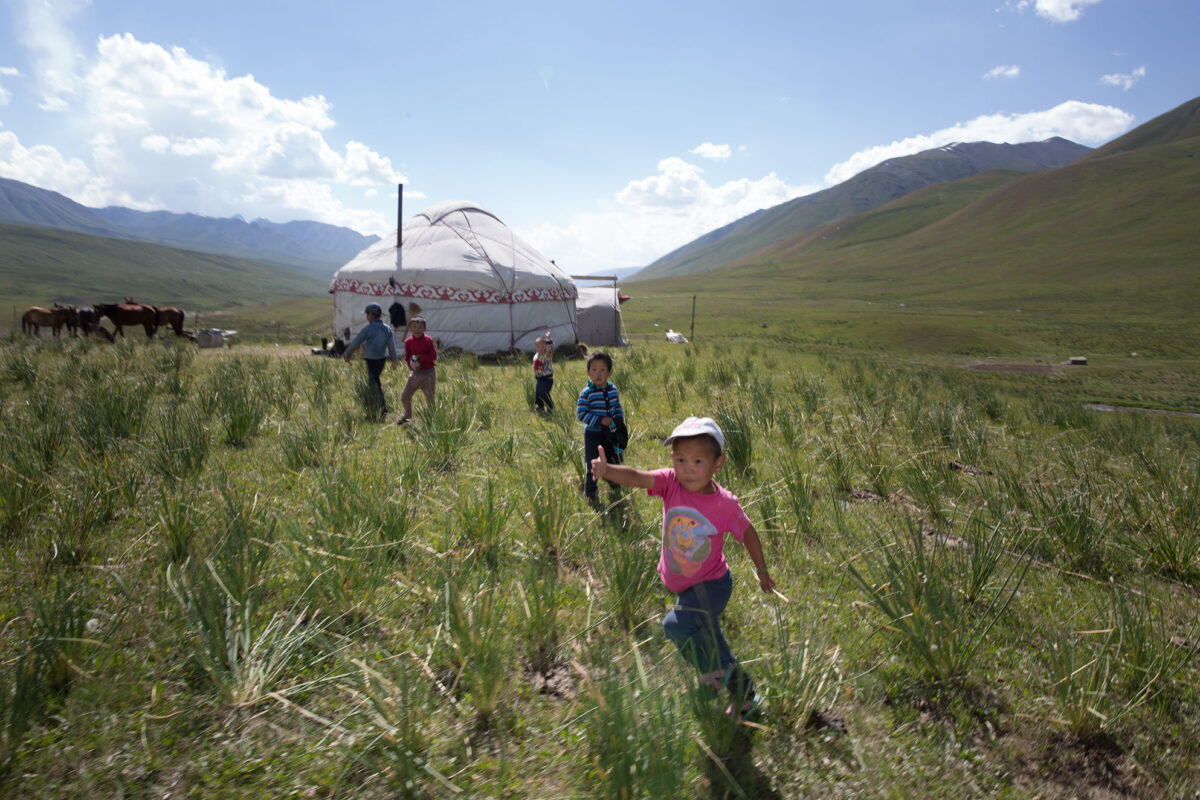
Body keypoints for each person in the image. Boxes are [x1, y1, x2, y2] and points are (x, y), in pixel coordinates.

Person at [589, 416, 774, 719]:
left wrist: (762, 570)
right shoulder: (671, 483)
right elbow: (638, 476)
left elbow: (748, 531)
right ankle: (723, 683)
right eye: (680, 459)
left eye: (698, 460)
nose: (687, 468)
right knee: (705, 637)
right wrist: (609, 471)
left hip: (713, 585)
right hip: (687, 586)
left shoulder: (724, 504)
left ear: (718, 464)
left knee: (675, 626)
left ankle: (737, 688)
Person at [576, 351, 624, 501]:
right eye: (594, 369)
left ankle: (613, 481)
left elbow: (617, 407)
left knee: (612, 458)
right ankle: (591, 492)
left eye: (602, 370)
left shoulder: (613, 390)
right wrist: (599, 420)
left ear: (610, 372)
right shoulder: (587, 393)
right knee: (592, 463)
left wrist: (618, 422)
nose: (598, 373)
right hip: (593, 434)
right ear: (588, 372)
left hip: (610, 433)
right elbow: (581, 414)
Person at [343, 302, 398, 417]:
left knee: (374, 383)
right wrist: (394, 359)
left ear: (371, 315)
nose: (367, 317)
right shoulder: (387, 329)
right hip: (381, 359)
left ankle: (381, 407)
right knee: (375, 381)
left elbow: (356, 342)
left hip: (371, 359)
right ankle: (376, 406)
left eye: (367, 314)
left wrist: (347, 354)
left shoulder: (368, 329)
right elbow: (391, 346)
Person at [397, 315, 436, 425]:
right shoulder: (408, 342)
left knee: (430, 399)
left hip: (428, 374)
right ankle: (407, 415)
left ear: (425, 329)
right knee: (405, 396)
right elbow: (407, 357)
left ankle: (431, 419)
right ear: (410, 329)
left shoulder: (428, 341)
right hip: (415, 374)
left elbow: (434, 356)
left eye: (420, 327)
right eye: (414, 327)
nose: (417, 330)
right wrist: (411, 365)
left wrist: (421, 358)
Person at [532, 329, 555, 412]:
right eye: (538, 347)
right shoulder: (536, 356)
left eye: (543, 347)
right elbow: (536, 367)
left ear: (545, 347)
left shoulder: (547, 355)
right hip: (539, 378)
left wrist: (548, 340)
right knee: (538, 393)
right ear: (536, 347)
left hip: (547, 378)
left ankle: (550, 407)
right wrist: (536, 374)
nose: (541, 348)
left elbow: (551, 349)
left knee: (544, 393)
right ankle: (540, 407)